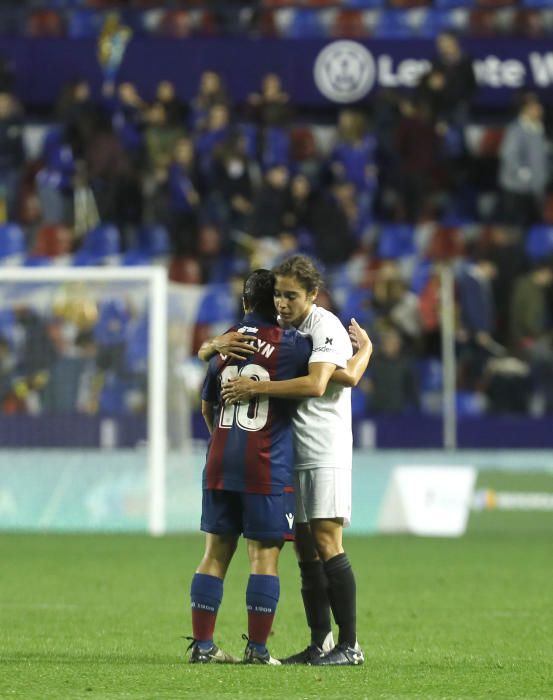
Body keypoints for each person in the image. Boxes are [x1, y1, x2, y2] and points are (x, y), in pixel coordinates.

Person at [215, 255, 373, 666]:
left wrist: (258, 389)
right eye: (279, 295)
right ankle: (320, 642)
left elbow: (320, 383)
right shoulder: (284, 331)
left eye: (292, 296)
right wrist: (216, 345)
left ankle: (350, 646)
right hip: (291, 452)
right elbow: (342, 374)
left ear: (313, 295)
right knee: (304, 549)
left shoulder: (325, 326)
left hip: (324, 448)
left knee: (326, 541)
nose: (282, 304)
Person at [188, 268, 313, 665]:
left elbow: (207, 404)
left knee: (214, 555)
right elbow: (323, 376)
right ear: (276, 302)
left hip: (221, 462)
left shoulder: (224, 344)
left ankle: (204, 647)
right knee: (264, 557)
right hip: (265, 465)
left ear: (243, 303)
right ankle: (257, 650)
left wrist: (223, 441)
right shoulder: (291, 344)